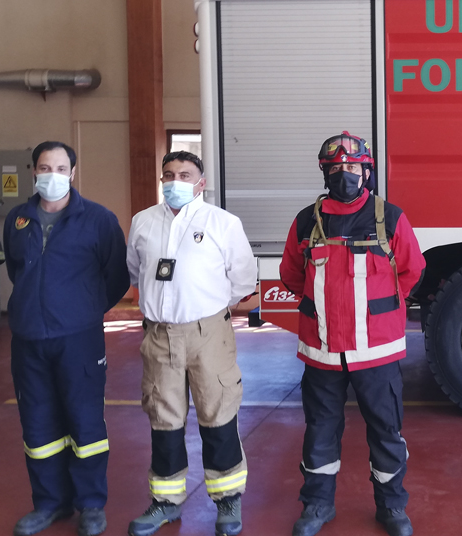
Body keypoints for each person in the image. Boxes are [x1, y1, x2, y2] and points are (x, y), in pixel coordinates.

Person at [279, 132, 425, 536]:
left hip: (376, 353)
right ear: (326, 173)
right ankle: (317, 505)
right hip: (322, 352)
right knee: (320, 431)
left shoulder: (389, 217)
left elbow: (412, 270)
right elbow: (292, 274)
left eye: (354, 167)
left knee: (386, 431)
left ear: (367, 172)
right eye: (337, 168)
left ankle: (392, 507)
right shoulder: (307, 221)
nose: (346, 174)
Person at [125, 151, 257, 536]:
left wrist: (207, 305)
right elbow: (136, 271)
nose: (175, 181)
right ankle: (166, 501)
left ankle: (228, 499)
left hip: (208, 333)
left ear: (201, 182)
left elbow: (244, 278)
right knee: (163, 418)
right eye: (169, 175)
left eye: (185, 174)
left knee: (217, 413)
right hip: (159, 334)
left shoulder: (222, 223)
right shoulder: (143, 222)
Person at [3, 141, 129, 536]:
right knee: (38, 425)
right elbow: (16, 270)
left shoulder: (98, 220)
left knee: (85, 421)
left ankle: (91, 504)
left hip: (79, 339)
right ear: (33, 171)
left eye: (60, 168)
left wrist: (84, 311)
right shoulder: (17, 220)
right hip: (28, 340)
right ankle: (49, 503)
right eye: (44, 167)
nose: (51, 175)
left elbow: (116, 278)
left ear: (72, 173)